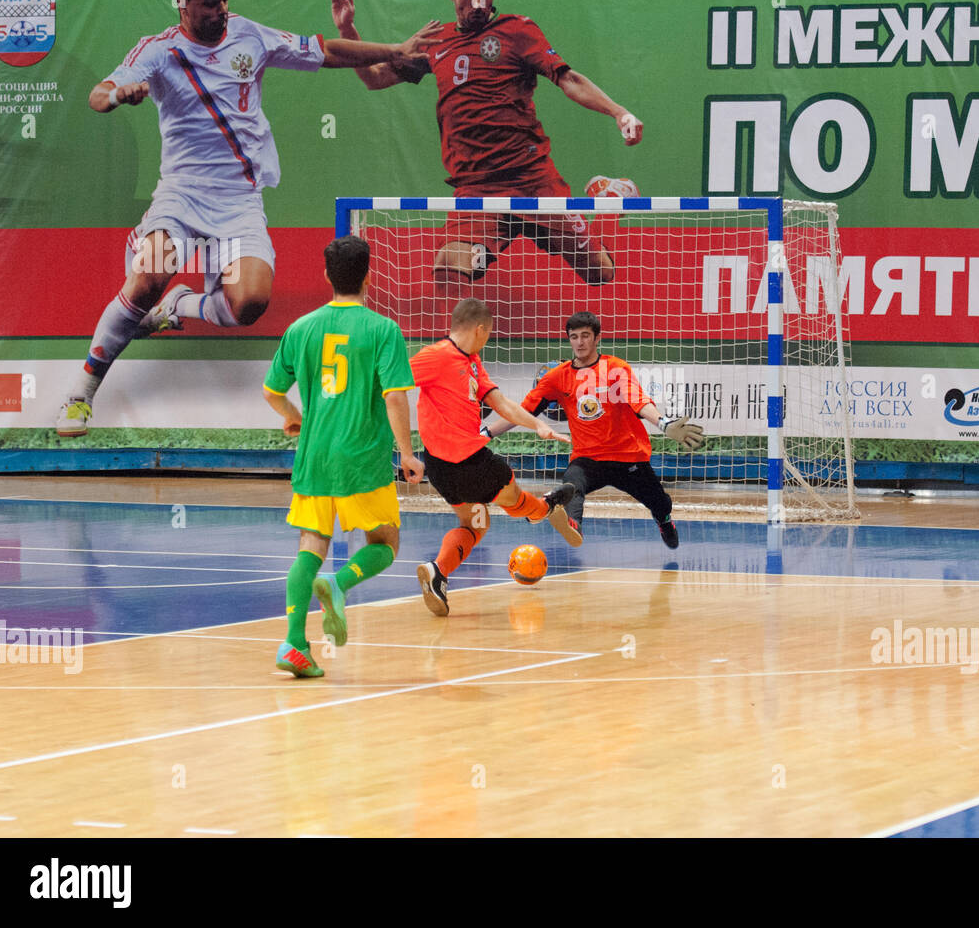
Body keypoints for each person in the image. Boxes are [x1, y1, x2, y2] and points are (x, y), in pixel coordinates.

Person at [55, 0, 439, 437]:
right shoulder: (158, 51)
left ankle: (179, 308)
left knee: (249, 303)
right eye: (209, 2)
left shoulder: (249, 36)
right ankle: (81, 393)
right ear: (183, 3)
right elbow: (99, 93)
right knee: (150, 272)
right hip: (181, 195)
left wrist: (395, 48)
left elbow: (324, 50)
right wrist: (118, 96)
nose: (221, 9)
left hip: (239, 202)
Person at [330, 0, 643, 286]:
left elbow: (568, 79)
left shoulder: (518, 31)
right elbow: (375, 78)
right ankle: (482, 270)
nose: (477, 2)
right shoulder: (436, 43)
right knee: (448, 276)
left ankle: (606, 193)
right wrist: (348, 29)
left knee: (599, 273)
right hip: (476, 189)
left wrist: (619, 112)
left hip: (533, 180)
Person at [263, 235, 424, 678]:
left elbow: (271, 391)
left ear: (327, 276)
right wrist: (408, 454)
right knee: (386, 544)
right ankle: (339, 583)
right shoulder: (382, 330)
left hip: (314, 456)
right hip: (361, 458)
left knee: (310, 547)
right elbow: (395, 398)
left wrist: (294, 416)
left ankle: (293, 643)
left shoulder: (301, 328)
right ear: (369, 274)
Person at [410, 297, 581, 616]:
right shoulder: (436, 356)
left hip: (441, 467)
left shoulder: (472, 362)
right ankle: (544, 508)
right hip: (470, 460)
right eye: (488, 334)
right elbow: (393, 383)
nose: (488, 340)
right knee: (511, 494)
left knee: (475, 523)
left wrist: (538, 425)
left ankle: (438, 572)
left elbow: (502, 403)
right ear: (479, 329)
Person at [484, 312, 704, 549]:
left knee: (660, 503)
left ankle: (664, 521)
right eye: (574, 337)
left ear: (597, 338)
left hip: (627, 456)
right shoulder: (557, 377)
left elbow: (639, 402)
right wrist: (486, 434)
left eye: (585, 336)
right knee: (572, 483)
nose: (579, 342)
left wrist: (664, 423)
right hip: (588, 458)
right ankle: (573, 526)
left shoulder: (616, 368)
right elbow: (521, 411)